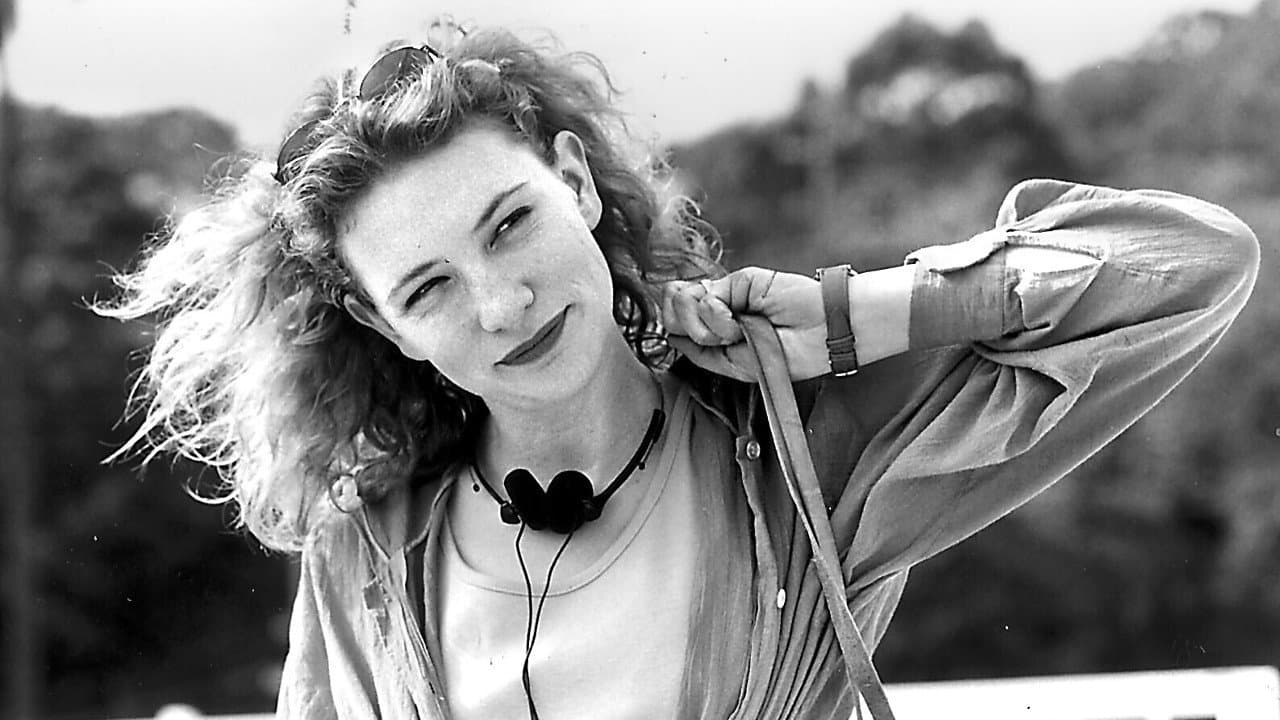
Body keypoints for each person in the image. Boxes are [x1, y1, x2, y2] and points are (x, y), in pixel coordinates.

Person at [97, 23, 1259, 720]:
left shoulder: (804, 456)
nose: (500, 303)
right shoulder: (366, 550)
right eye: (428, 287)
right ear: (380, 322)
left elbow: (1194, 266)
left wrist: (847, 317)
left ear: (575, 183)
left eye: (509, 225)